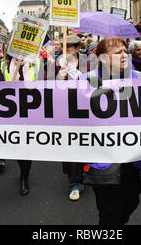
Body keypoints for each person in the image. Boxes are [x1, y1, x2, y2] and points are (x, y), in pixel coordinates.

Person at [79, 37, 141, 225]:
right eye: (118, 53)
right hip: (104, 157)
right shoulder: (85, 81)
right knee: (109, 213)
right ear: (102, 59)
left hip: (136, 158)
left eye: (125, 51)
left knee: (130, 202)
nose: (124, 55)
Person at [54, 35, 91, 201]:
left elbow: (95, 83)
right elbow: (50, 88)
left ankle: (86, 172)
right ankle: (74, 184)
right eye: (64, 46)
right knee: (70, 146)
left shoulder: (89, 63)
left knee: (86, 144)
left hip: (86, 109)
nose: (66, 50)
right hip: (65, 109)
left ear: (77, 48)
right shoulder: (56, 63)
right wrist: (59, 77)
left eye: (69, 47)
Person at [1, 55, 41, 196]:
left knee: (27, 146)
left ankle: (25, 177)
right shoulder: (4, 65)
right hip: (11, 111)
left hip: (32, 110)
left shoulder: (36, 63)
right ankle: (23, 170)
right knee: (17, 145)